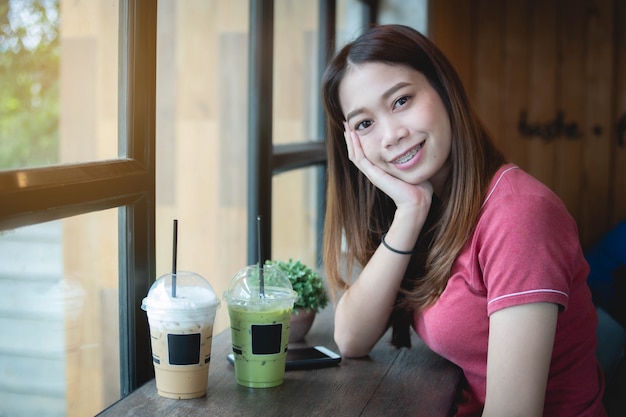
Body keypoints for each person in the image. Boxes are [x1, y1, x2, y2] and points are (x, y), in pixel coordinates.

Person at [321, 24, 606, 416]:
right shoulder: (433, 206)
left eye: (401, 100)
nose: (391, 134)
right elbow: (351, 338)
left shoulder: (519, 215)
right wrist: (410, 212)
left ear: (443, 89)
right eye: (365, 124)